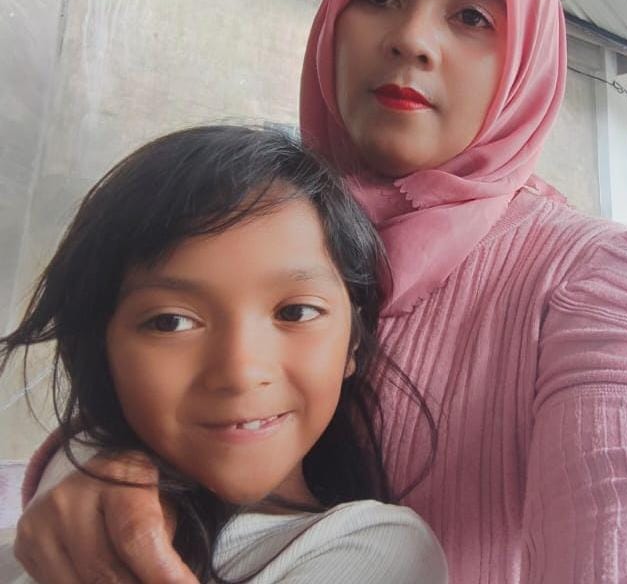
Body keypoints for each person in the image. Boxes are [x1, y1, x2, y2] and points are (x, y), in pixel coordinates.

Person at [15, 0, 627, 582]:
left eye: (472, 16)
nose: (410, 38)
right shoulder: (253, 222)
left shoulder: (608, 288)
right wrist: (104, 466)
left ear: (527, 60)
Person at [1, 125, 447, 583]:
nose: (240, 371)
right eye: (171, 322)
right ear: (102, 346)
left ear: (353, 339)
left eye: (295, 312)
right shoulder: (48, 528)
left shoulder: (373, 551)